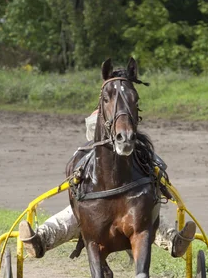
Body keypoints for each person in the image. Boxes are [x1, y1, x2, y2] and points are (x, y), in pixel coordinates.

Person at [19, 110, 196, 259]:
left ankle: (174, 241)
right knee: (71, 217)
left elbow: (157, 166)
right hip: (93, 211)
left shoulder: (135, 150)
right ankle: (39, 239)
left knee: (147, 217)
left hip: (130, 207)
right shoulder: (85, 153)